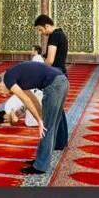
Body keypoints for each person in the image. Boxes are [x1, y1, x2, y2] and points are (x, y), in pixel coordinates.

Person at [0, 62, 69, 175]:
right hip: (61, 81)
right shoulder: (15, 78)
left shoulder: (9, 80)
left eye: (0, 93)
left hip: (54, 85)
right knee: (51, 124)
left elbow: (26, 100)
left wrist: (40, 122)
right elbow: (32, 100)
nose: (4, 96)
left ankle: (40, 166)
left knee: (46, 128)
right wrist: (40, 118)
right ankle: (42, 159)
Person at [33, 14, 69, 150]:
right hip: (61, 73)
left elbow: (50, 60)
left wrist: (40, 70)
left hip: (55, 75)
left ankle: (58, 142)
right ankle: (61, 141)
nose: (41, 33)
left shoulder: (54, 36)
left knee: (53, 111)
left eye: (40, 30)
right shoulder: (61, 34)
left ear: (47, 26)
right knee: (59, 110)